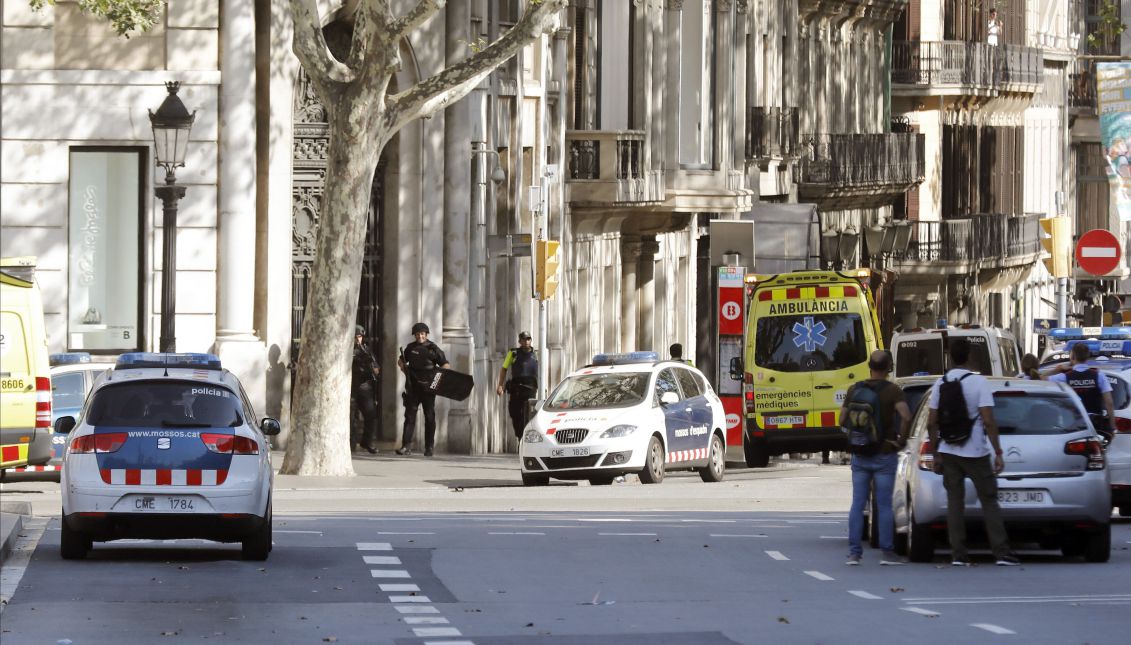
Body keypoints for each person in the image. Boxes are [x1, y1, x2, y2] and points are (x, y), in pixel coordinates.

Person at [927, 338, 1019, 566]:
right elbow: (988, 420)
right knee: (989, 500)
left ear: (951, 357)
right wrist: (997, 451)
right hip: (976, 451)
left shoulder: (941, 383)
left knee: (954, 502)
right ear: (969, 356)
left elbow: (931, 421)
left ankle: (958, 554)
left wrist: (936, 451)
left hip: (949, 450)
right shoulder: (979, 383)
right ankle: (1001, 552)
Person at [841, 350, 911, 566]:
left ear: (869, 366)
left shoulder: (855, 389)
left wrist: (856, 438)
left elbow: (842, 419)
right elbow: (906, 416)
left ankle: (854, 553)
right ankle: (887, 553)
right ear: (889, 368)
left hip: (860, 454)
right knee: (884, 504)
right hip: (884, 454)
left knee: (857, 503)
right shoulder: (893, 391)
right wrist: (900, 441)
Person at [396, 322, 449, 457]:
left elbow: (445, 365)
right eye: (418, 334)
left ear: (426, 335)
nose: (420, 336)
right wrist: (404, 369)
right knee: (409, 417)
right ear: (415, 335)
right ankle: (405, 446)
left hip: (428, 389)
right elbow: (401, 360)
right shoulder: (410, 348)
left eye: (422, 334)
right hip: (413, 387)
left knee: (429, 417)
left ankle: (429, 447)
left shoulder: (433, 348)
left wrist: (436, 381)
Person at [1047, 343, 1116, 440]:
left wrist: (1057, 369)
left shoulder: (1065, 376)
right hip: (1095, 426)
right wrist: (1112, 427)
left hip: (1072, 426)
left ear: (1072, 356)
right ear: (1088, 356)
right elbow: (1109, 403)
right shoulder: (1099, 375)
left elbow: (1039, 379)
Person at [496, 331, 539, 439]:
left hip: (530, 388)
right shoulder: (513, 353)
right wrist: (500, 385)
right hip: (516, 388)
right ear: (519, 341)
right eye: (524, 339)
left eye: (528, 339)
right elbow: (504, 369)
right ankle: (520, 436)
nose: (526, 341)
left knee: (528, 414)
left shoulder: (536, 354)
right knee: (514, 413)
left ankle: (525, 437)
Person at [351, 325, 380, 454]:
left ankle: (367, 442)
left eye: (360, 336)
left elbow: (376, 369)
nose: (358, 339)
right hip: (350, 386)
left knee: (371, 414)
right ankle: (350, 443)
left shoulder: (366, 350)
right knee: (351, 417)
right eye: (356, 336)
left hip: (364, 386)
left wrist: (370, 364)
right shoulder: (346, 351)